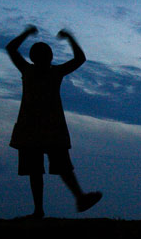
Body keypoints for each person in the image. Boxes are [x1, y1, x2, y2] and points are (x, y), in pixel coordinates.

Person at [6, 25, 102, 219]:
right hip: (45, 128)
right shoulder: (51, 72)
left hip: (36, 128)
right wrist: (69, 37)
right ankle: (73, 199)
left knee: (43, 169)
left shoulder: (33, 71)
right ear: (48, 57)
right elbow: (80, 59)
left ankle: (44, 208)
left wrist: (26, 33)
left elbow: (11, 49)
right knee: (56, 167)